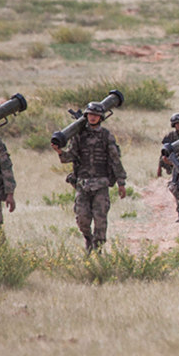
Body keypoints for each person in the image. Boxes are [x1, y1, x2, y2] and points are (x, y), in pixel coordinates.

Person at [52, 101, 127, 252]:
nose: (93, 118)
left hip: (101, 185)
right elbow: (70, 156)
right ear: (86, 116)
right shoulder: (79, 136)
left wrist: (121, 182)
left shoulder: (106, 136)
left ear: (101, 117)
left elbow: (115, 160)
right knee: (82, 219)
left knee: (100, 220)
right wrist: (60, 152)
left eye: (96, 115)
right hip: (82, 184)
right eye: (90, 115)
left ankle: (97, 248)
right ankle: (88, 239)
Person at [160, 113, 179, 222]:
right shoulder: (170, 136)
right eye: (177, 124)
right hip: (175, 165)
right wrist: (165, 164)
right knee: (176, 188)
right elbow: (164, 153)